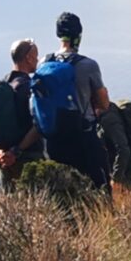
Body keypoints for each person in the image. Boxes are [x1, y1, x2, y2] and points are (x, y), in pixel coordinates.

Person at [31, 21, 111, 189]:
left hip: (54, 139)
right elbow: (104, 103)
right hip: (83, 136)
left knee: (62, 190)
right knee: (99, 188)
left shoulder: (44, 63)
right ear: (79, 36)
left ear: (58, 35)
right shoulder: (88, 65)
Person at [0, 38, 43, 191]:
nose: (37, 60)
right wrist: (16, 151)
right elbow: (38, 124)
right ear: (28, 58)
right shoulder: (30, 86)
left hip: (2, 162)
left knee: (13, 208)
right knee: (39, 206)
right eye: (35, 56)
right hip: (28, 159)